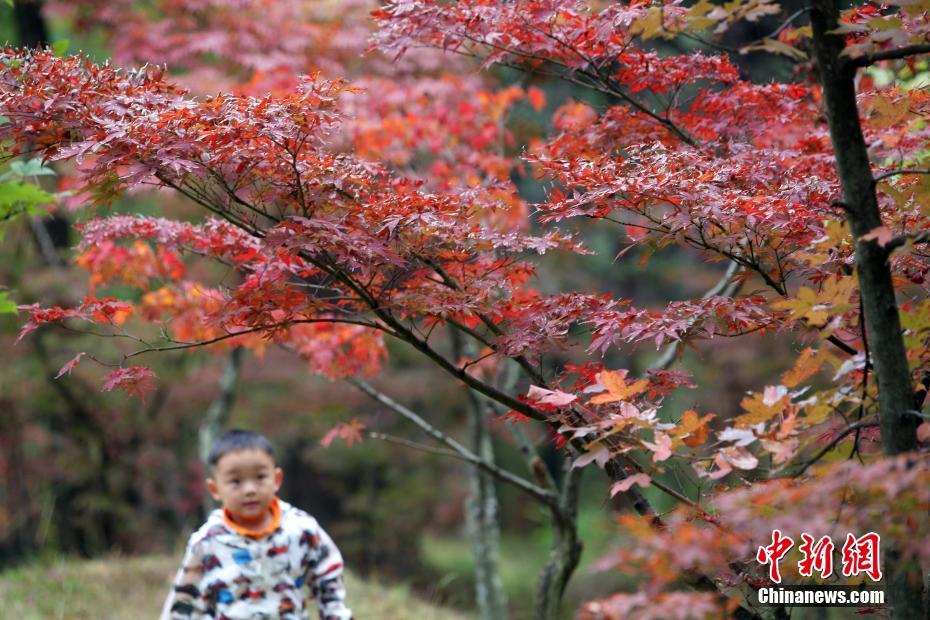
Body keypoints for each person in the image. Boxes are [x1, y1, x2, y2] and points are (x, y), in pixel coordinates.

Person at [160, 429, 353, 619]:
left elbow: (329, 577)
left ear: (276, 479)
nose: (250, 489)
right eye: (235, 481)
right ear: (215, 489)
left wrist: (336, 614)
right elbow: (184, 602)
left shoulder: (301, 530)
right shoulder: (207, 542)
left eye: (260, 477)